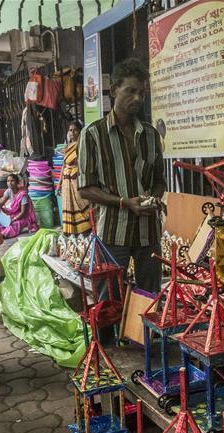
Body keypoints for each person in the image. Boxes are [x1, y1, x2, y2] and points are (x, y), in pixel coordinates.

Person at [78, 58, 166, 297]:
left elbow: (159, 180)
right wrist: (124, 203)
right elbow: (85, 188)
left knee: (149, 299)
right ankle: (111, 337)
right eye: (130, 91)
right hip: (113, 233)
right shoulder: (93, 135)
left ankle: (140, 337)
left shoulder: (150, 135)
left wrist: (153, 199)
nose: (138, 98)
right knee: (109, 300)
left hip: (149, 233)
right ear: (114, 90)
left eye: (141, 93)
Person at [60, 120, 90, 235]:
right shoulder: (67, 147)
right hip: (67, 181)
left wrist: (77, 172)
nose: (72, 133)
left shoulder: (82, 145)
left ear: (80, 131)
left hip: (76, 179)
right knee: (69, 205)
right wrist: (59, 183)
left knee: (80, 203)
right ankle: (72, 231)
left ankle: (85, 228)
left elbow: (84, 163)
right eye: (70, 130)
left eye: (75, 130)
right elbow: (64, 165)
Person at [0, 173, 38, 238]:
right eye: (8, 181)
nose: (10, 183)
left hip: (23, 217)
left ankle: (4, 234)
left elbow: (23, 213)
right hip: (14, 214)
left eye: (12, 181)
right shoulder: (8, 191)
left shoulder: (23, 195)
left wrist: (13, 220)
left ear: (17, 182)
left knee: (13, 225)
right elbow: (1, 203)